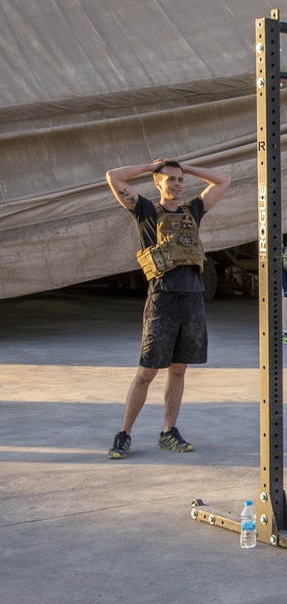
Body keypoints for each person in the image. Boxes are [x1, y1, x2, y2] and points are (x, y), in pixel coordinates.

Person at [105, 158, 231, 459]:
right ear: (158, 183)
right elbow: (113, 177)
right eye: (170, 179)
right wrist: (151, 167)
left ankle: (168, 431)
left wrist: (187, 167)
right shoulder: (147, 211)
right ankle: (124, 434)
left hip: (192, 297)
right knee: (147, 372)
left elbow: (223, 180)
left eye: (179, 180)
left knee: (179, 369)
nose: (176, 184)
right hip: (163, 297)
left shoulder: (193, 210)